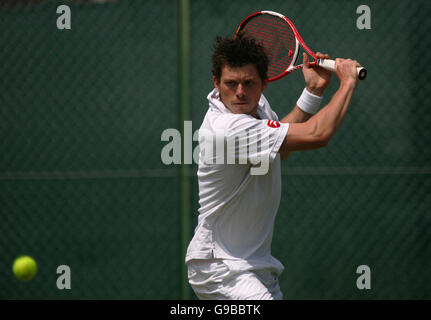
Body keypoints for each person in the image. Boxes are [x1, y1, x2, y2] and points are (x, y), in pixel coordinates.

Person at [185, 36, 361, 300]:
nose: (240, 92)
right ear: (216, 83)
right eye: (230, 84)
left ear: (264, 83)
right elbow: (317, 134)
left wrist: (313, 92)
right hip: (221, 267)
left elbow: (282, 149)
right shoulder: (226, 128)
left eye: (249, 83)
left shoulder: (256, 109)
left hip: (255, 265)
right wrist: (347, 82)